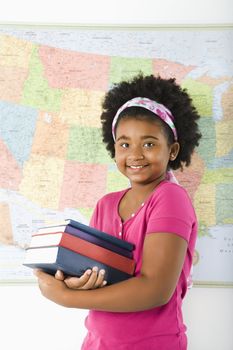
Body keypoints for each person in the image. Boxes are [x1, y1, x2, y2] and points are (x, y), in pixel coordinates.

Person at [34, 74, 202, 350]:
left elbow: (155, 290)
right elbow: (94, 276)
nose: (135, 154)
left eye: (149, 144)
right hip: (97, 343)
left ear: (172, 150)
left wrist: (66, 298)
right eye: (124, 144)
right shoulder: (105, 204)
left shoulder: (170, 198)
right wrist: (70, 281)